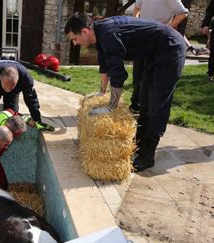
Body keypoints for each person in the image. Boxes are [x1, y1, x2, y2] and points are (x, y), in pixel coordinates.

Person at [65, 13, 186, 172]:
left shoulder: (108, 34)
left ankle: (147, 156)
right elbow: (105, 67)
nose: (74, 44)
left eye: (74, 38)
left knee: (157, 104)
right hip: (154, 52)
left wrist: (111, 106)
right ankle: (138, 147)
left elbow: (119, 74)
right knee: (144, 100)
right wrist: (102, 93)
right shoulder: (99, 32)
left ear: (85, 32)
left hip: (170, 49)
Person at [130, 0, 188, 113]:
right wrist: (136, 22)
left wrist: (166, 28)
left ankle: (145, 107)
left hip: (158, 38)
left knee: (150, 75)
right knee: (138, 74)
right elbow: (136, 8)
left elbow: (183, 13)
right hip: (142, 36)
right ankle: (135, 104)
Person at [0, 60, 55, 132]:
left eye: (11, 87)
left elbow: (31, 98)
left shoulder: (26, 78)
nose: (7, 90)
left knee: (11, 116)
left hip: (14, 93)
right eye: (6, 87)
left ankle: (16, 108)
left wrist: (37, 119)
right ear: (0, 78)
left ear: (18, 80)